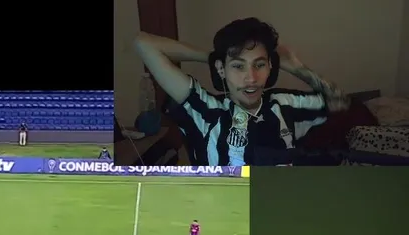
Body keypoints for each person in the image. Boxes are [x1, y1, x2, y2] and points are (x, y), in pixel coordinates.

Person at [134, 18, 346, 166]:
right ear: (221, 69)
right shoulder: (206, 111)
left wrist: (296, 67)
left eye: (259, 65)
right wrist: (215, 57)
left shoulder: (284, 104)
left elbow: (337, 101)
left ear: (270, 67)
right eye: (238, 66)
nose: (251, 78)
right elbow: (143, 43)